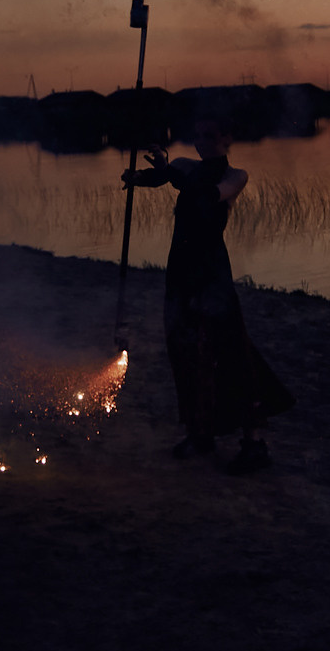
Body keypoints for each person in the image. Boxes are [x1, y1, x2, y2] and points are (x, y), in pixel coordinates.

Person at [122, 124, 294, 472]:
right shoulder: (185, 166)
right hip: (181, 269)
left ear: (228, 139)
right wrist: (139, 176)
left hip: (212, 272)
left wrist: (167, 172)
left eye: (212, 137)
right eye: (199, 136)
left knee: (232, 351)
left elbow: (207, 197)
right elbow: (158, 180)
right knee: (185, 350)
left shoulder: (235, 175)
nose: (203, 142)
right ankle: (201, 433)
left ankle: (254, 442)